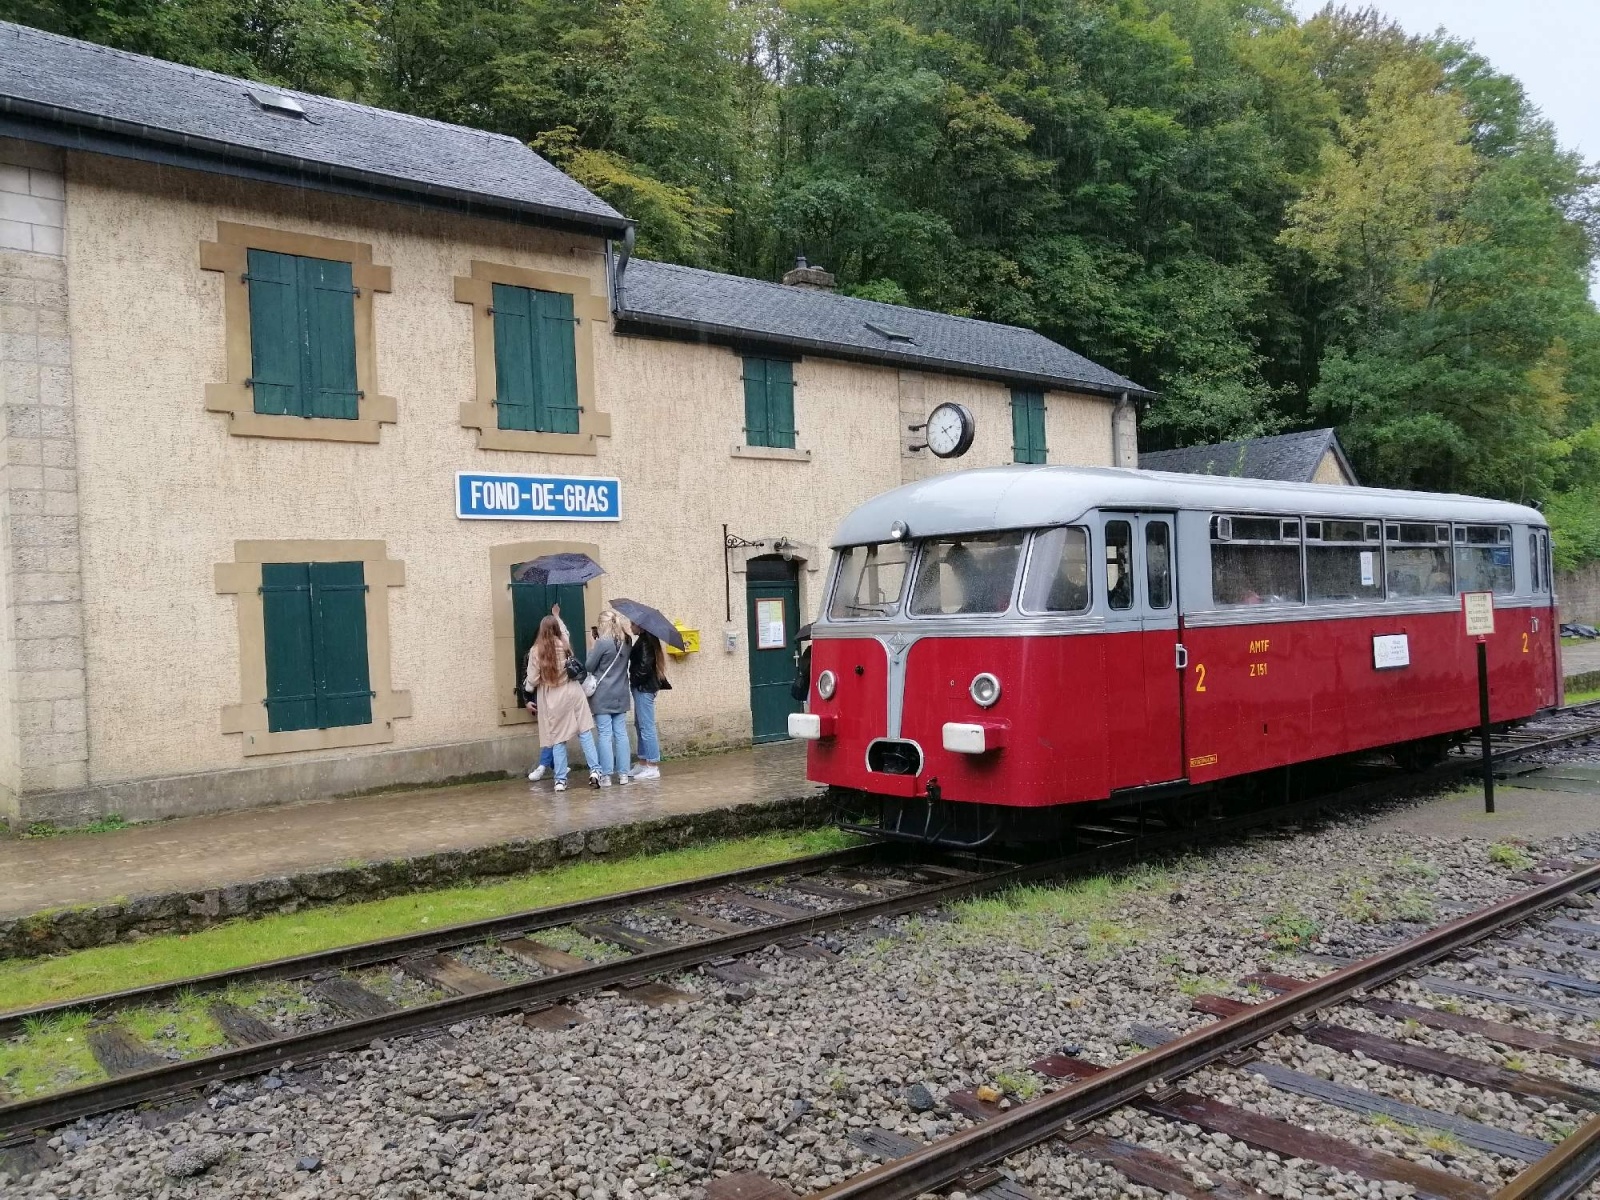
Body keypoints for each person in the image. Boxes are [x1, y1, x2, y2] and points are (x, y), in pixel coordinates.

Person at [527, 615, 602, 792]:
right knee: (584, 732)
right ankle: (595, 771)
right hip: (574, 692)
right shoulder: (565, 644)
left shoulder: (536, 651)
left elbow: (533, 679)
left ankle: (560, 780)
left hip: (554, 697)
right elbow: (565, 633)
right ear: (557, 630)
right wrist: (558, 616)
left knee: (558, 739)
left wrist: (529, 687)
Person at [586, 609, 633, 787]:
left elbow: (589, 665)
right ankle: (623, 774)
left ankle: (606, 775)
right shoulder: (627, 641)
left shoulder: (602, 643)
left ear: (602, 624)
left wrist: (592, 646)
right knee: (621, 733)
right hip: (621, 693)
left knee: (605, 734)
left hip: (603, 695)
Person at [627, 626, 671, 780]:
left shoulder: (646, 643)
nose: (630, 626)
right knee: (640, 725)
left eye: (633, 623)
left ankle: (652, 765)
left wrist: (634, 680)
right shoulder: (644, 640)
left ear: (640, 626)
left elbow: (644, 668)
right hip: (642, 688)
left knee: (646, 726)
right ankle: (643, 762)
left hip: (644, 689)